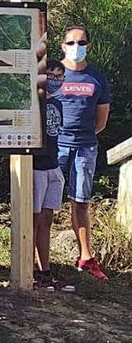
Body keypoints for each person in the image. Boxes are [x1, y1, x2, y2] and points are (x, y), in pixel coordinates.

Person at [55, 26, 111, 279]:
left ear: (89, 45)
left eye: (81, 42)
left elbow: (101, 121)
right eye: (71, 42)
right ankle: (39, 261)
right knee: (45, 205)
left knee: (81, 202)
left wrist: (82, 137)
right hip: (55, 147)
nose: (76, 46)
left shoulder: (97, 79)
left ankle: (86, 257)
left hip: (85, 146)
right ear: (62, 46)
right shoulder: (54, 75)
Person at [33, 60, 74, 291]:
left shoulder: (57, 103)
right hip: (36, 167)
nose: (55, 79)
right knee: (34, 220)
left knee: (47, 220)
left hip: (53, 166)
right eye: (51, 74)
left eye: (60, 76)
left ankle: (44, 270)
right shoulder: (34, 102)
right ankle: (28, 270)